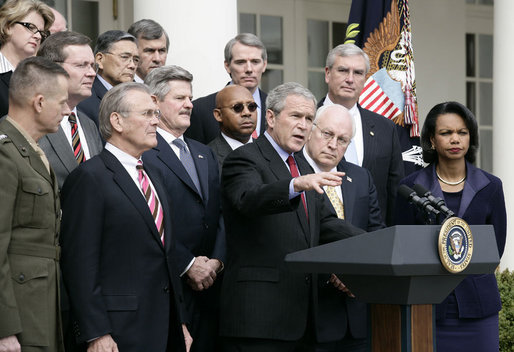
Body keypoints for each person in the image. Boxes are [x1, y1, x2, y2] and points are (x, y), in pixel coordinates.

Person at [219, 82, 365, 351]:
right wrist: (294, 185)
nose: (303, 125)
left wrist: (378, 242)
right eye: (296, 116)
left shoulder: (301, 167)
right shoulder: (245, 158)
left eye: (309, 118)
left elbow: (328, 225)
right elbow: (247, 198)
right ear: (271, 118)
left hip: (302, 320)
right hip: (259, 321)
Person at [60, 82, 192, 352]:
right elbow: (79, 263)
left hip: (165, 329)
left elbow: (164, 255)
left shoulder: (154, 174)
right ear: (117, 121)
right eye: (147, 114)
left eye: (156, 114)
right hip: (117, 333)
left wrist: (179, 322)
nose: (156, 121)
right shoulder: (89, 178)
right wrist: (96, 332)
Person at [394, 101, 507, 352]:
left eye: (462, 132)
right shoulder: (411, 187)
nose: (455, 139)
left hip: (479, 306)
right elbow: (403, 247)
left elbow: (495, 247)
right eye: (446, 133)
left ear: (470, 137)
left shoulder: (491, 186)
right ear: (432, 140)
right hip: (428, 307)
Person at [143, 65, 225, 352]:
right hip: (168, 288)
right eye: (180, 98)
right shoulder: (143, 153)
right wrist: (188, 265)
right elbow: (147, 220)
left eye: (190, 98)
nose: (189, 104)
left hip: (210, 289)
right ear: (154, 101)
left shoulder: (204, 152)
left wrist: (216, 260)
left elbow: (220, 215)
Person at [299, 104, 384, 352]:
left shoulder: (360, 177)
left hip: (356, 314)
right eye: (327, 134)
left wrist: (356, 277)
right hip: (310, 315)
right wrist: (333, 273)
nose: (334, 144)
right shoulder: (293, 175)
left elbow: (375, 232)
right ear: (311, 130)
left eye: (343, 140)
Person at [0, 56, 70, 352]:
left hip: (40, 303)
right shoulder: (5, 154)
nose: (67, 111)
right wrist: (4, 328)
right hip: (17, 311)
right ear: (39, 102)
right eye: (62, 102)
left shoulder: (31, 150)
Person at [321, 43, 404, 226]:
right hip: (316, 240)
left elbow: (393, 192)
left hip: (371, 241)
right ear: (327, 73)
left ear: (365, 79)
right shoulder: (307, 122)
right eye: (343, 70)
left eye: (358, 73)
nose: (350, 79)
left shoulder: (385, 129)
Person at [37, 31, 102, 189]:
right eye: (81, 65)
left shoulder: (89, 124)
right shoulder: (33, 121)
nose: (92, 73)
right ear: (52, 68)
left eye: (93, 66)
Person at [185, 33, 267, 144]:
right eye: (241, 62)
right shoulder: (200, 110)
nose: (249, 69)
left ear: (264, 65)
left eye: (255, 62)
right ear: (227, 66)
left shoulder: (277, 109)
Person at [0, 0, 54, 116]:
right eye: (30, 27)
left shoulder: (42, 76)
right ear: (8, 26)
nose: (38, 36)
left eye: (41, 32)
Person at [77, 30, 138, 126]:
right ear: (100, 59)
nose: (132, 65)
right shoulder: (84, 99)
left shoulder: (140, 96)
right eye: (125, 57)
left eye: (136, 60)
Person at [208, 84, 257, 171]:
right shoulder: (208, 157)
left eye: (251, 106)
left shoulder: (270, 150)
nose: (247, 112)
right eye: (237, 107)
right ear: (218, 115)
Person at [128, 18, 169, 82]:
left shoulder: (172, 89)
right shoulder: (120, 90)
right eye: (150, 51)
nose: (157, 59)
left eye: (161, 51)